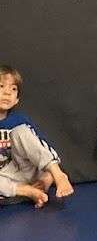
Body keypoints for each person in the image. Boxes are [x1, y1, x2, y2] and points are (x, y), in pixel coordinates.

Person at [0, 66, 74, 208]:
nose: (7, 92)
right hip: (8, 179)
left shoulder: (19, 120)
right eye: (1, 86)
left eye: (13, 89)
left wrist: (48, 178)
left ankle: (57, 175)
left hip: (28, 169)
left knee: (20, 131)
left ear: (17, 99)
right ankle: (28, 192)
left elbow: (44, 149)